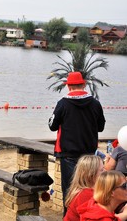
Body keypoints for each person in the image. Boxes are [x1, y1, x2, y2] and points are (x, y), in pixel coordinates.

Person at [48, 71, 106, 216]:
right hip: (89, 155)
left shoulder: (63, 103)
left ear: (68, 87)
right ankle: (88, 216)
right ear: (84, 85)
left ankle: (69, 216)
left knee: (69, 189)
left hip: (68, 154)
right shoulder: (95, 104)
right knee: (90, 189)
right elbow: (101, 127)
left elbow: (52, 126)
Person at [64, 155, 104, 221]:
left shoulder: (81, 190)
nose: (105, 172)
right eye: (101, 170)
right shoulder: (86, 194)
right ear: (91, 175)